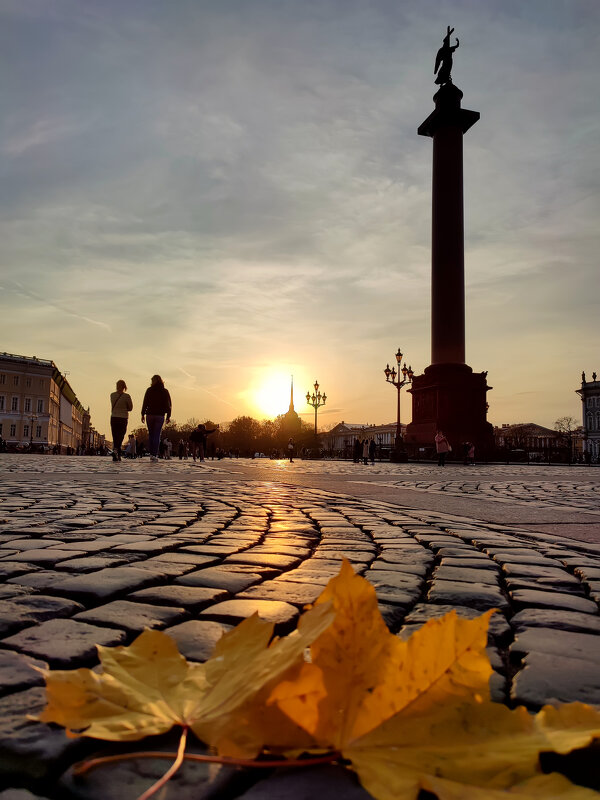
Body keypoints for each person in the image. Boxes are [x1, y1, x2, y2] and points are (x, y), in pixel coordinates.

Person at [141, 375, 172, 462]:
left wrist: (142, 414)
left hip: (150, 414)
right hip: (160, 415)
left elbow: (145, 402)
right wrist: (168, 416)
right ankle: (154, 454)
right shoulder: (165, 391)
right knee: (157, 435)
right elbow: (169, 404)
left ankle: (151, 454)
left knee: (151, 435)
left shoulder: (149, 390)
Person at [110, 379, 133, 462]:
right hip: (123, 418)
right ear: (124, 387)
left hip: (114, 417)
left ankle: (116, 451)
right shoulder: (127, 396)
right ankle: (117, 451)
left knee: (115, 436)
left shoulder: (112, 395)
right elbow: (130, 408)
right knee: (121, 436)